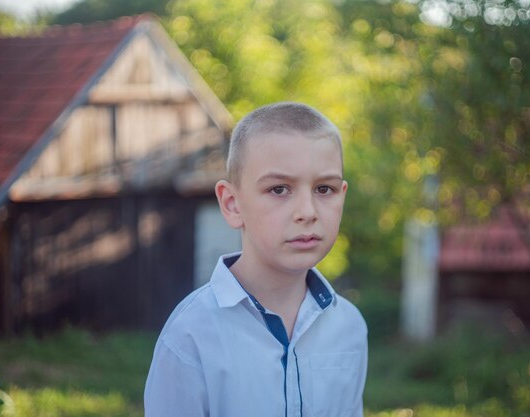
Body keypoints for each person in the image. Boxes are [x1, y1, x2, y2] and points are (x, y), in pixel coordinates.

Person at [144, 102, 368, 417]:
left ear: (342, 195)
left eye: (324, 189)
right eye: (279, 189)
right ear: (233, 204)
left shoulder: (350, 327)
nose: (307, 212)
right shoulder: (190, 334)